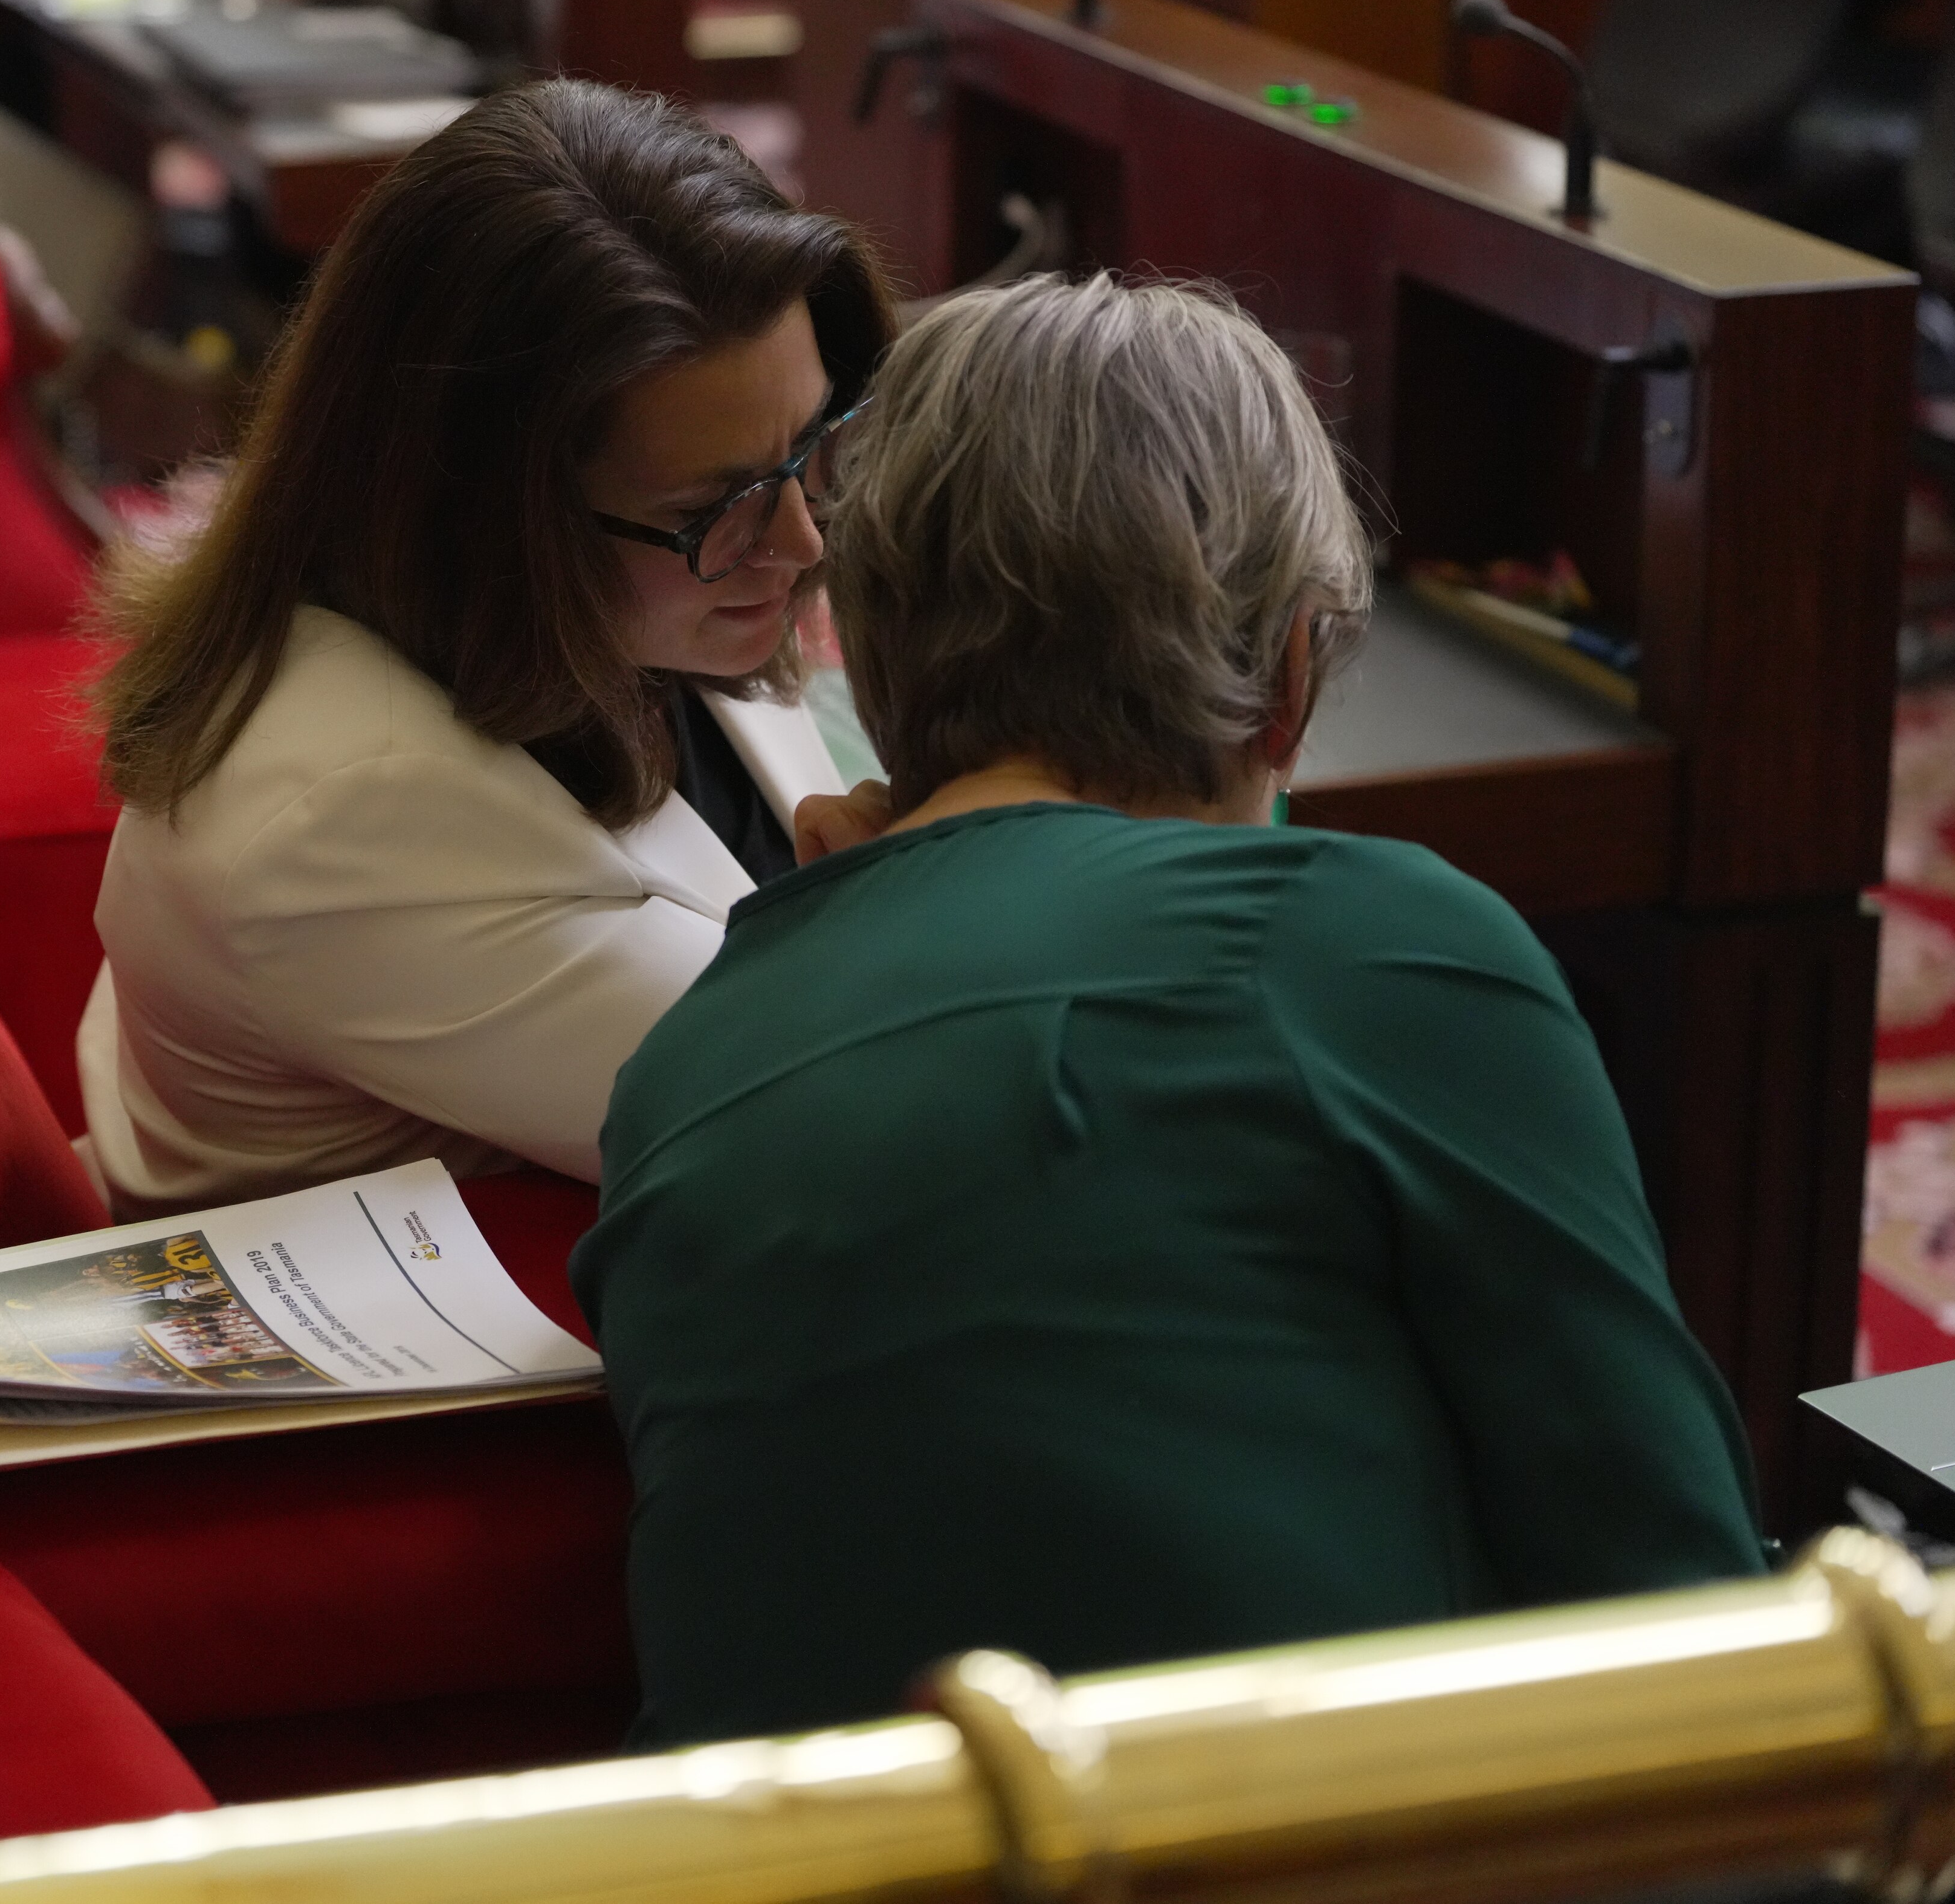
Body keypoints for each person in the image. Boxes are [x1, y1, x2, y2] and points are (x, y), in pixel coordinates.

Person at [572, 271, 1769, 1750]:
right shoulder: (1365, 946)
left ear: (871, 668)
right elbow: (1691, 1610)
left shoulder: (679, 1066)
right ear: (1287, 676)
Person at [80, 80, 888, 1214]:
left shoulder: (620, 589)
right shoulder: (346, 817)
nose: (801, 539)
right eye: (722, 505)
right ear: (487, 519)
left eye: (811, 445)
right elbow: (859, 1129)